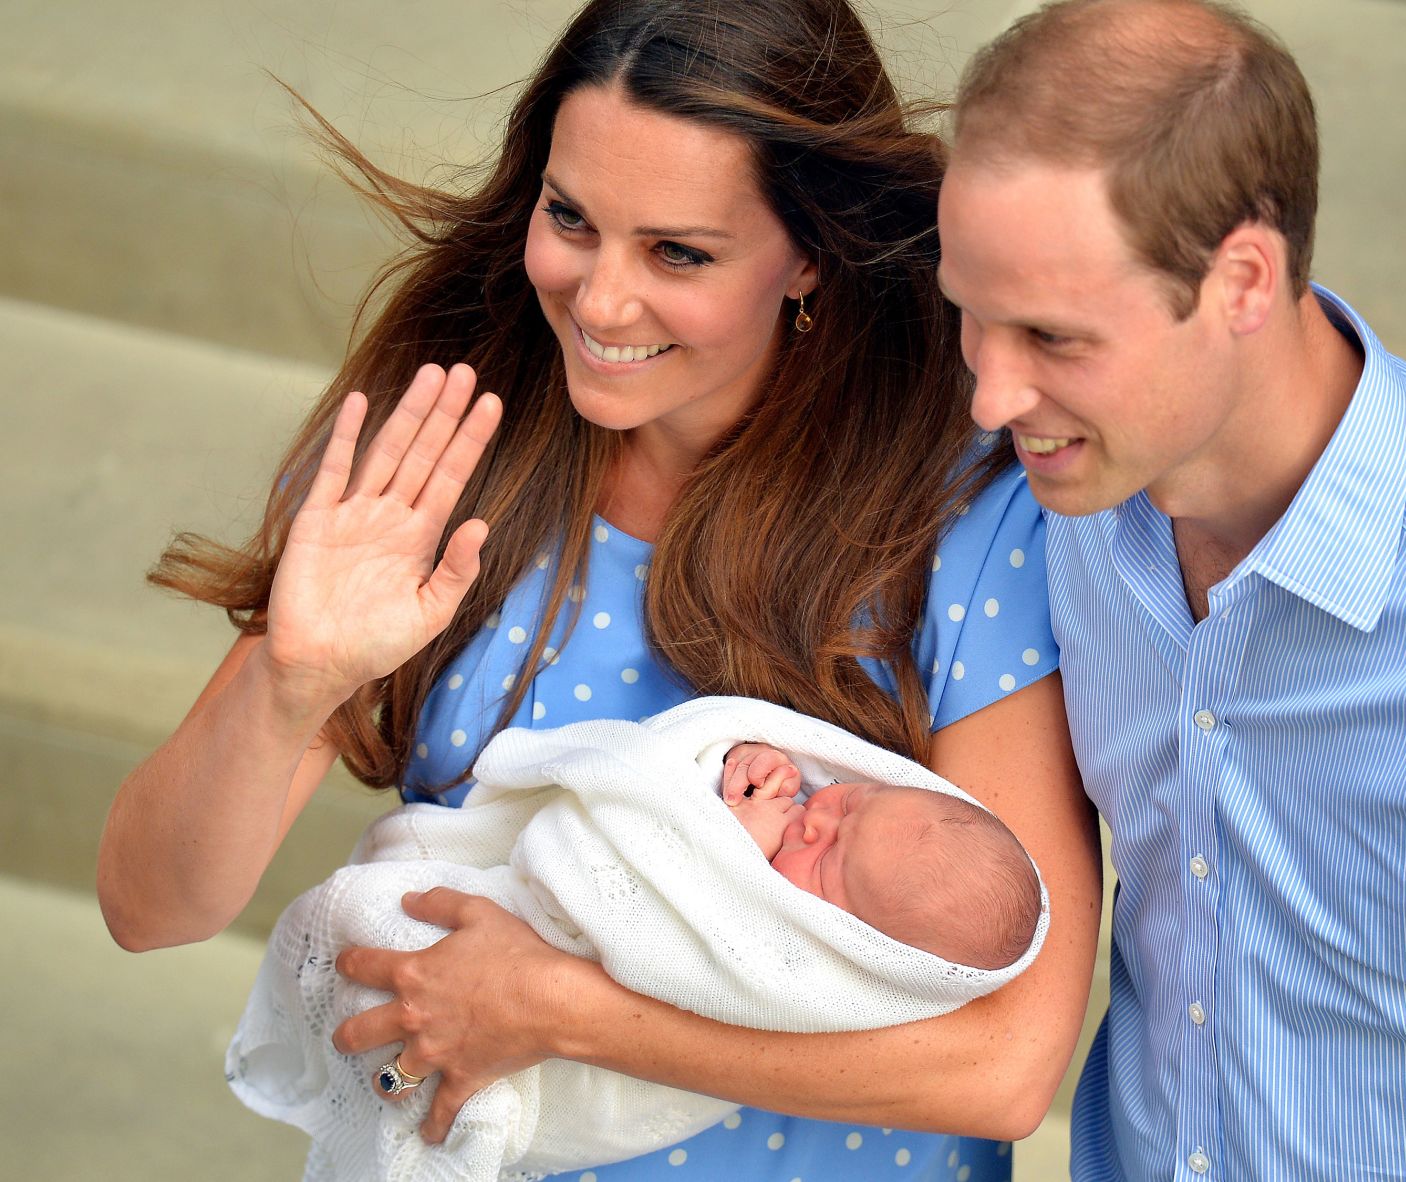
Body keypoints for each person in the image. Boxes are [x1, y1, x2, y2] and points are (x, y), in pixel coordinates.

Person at [97, 1, 1103, 1179]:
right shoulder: (450, 455)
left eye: (678, 252)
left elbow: (1005, 1070)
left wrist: (560, 1011)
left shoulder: (968, 514)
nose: (600, 301)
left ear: (811, 255)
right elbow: (148, 907)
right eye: (569, 219)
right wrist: (288, 685)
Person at [939, 1, 1406, 1178]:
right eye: (969, 316)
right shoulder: (1060, 502)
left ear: (1242, 279)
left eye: (1052, 336)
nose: (990, 393)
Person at [228, 698, 1052, 1181]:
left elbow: (632, 904)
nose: (821, 813)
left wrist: (721, 836)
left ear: (860, 947)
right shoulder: (794, 809)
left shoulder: (800, 966)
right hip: (460, 937)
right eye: (859, 804)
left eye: (830, 854)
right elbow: (689, 782)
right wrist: (729, 765)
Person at [725, 739, 1041, 971]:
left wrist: (736, 846)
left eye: (826, 861)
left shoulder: (793, 961)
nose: (814, 821)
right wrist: (753, 763)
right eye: (848, 803)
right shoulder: (803, 812)